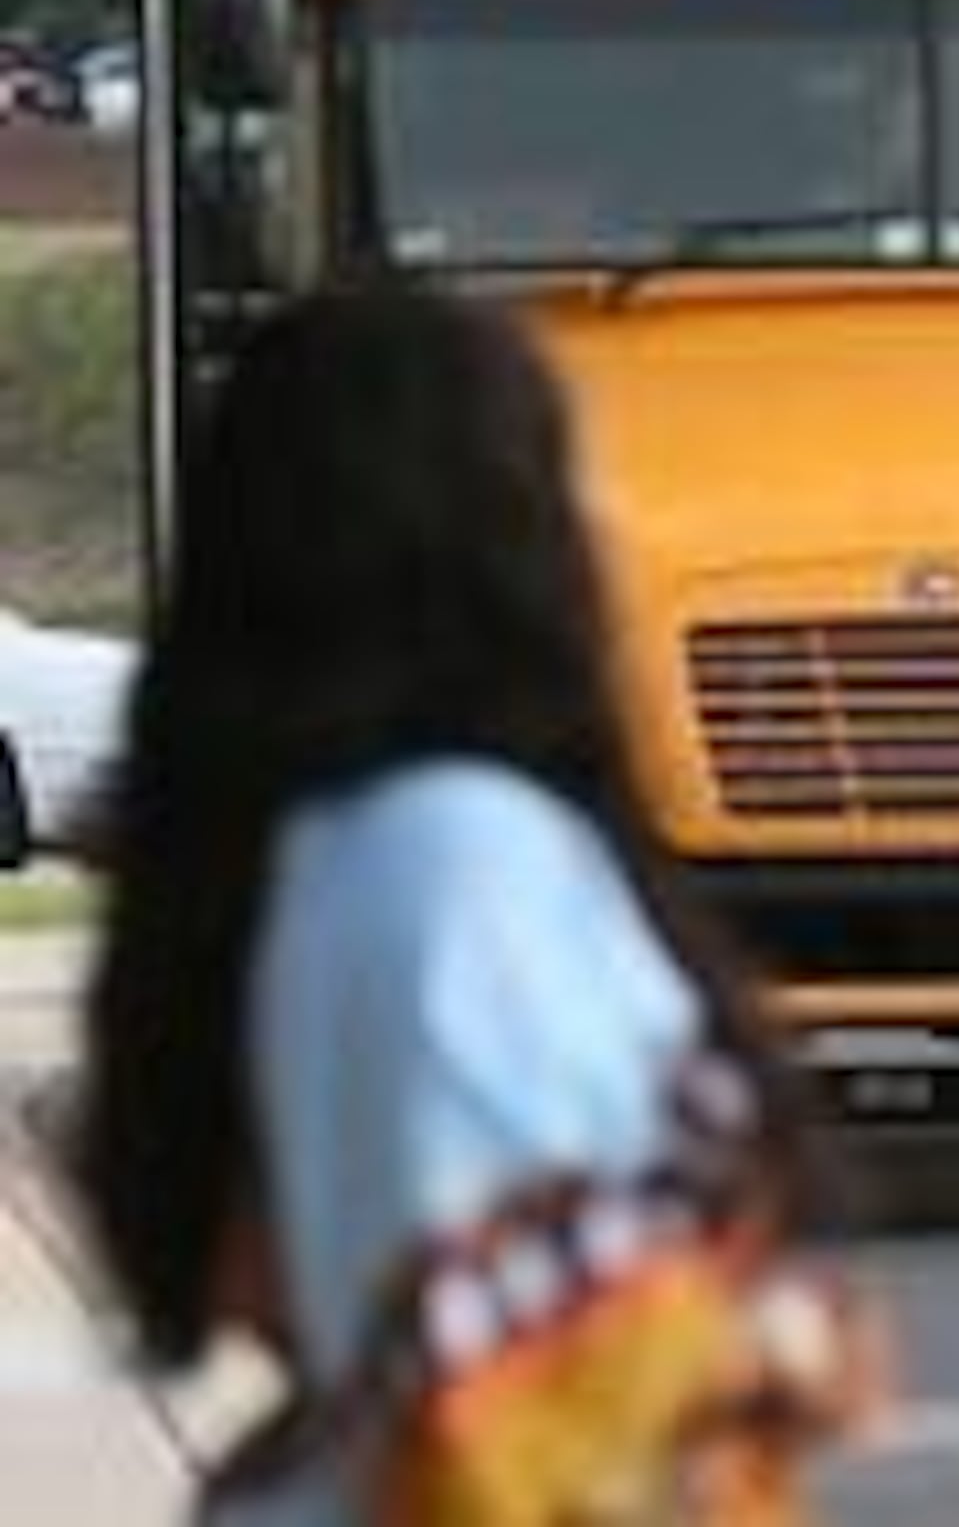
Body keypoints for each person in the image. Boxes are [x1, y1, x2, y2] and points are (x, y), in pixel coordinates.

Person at [70, 288, 882, 1522]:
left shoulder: (344, 856)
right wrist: (764, 1354)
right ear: (489, 526)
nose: (602, 521)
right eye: (565, 471)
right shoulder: (455, 861)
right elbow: (528, 1381)